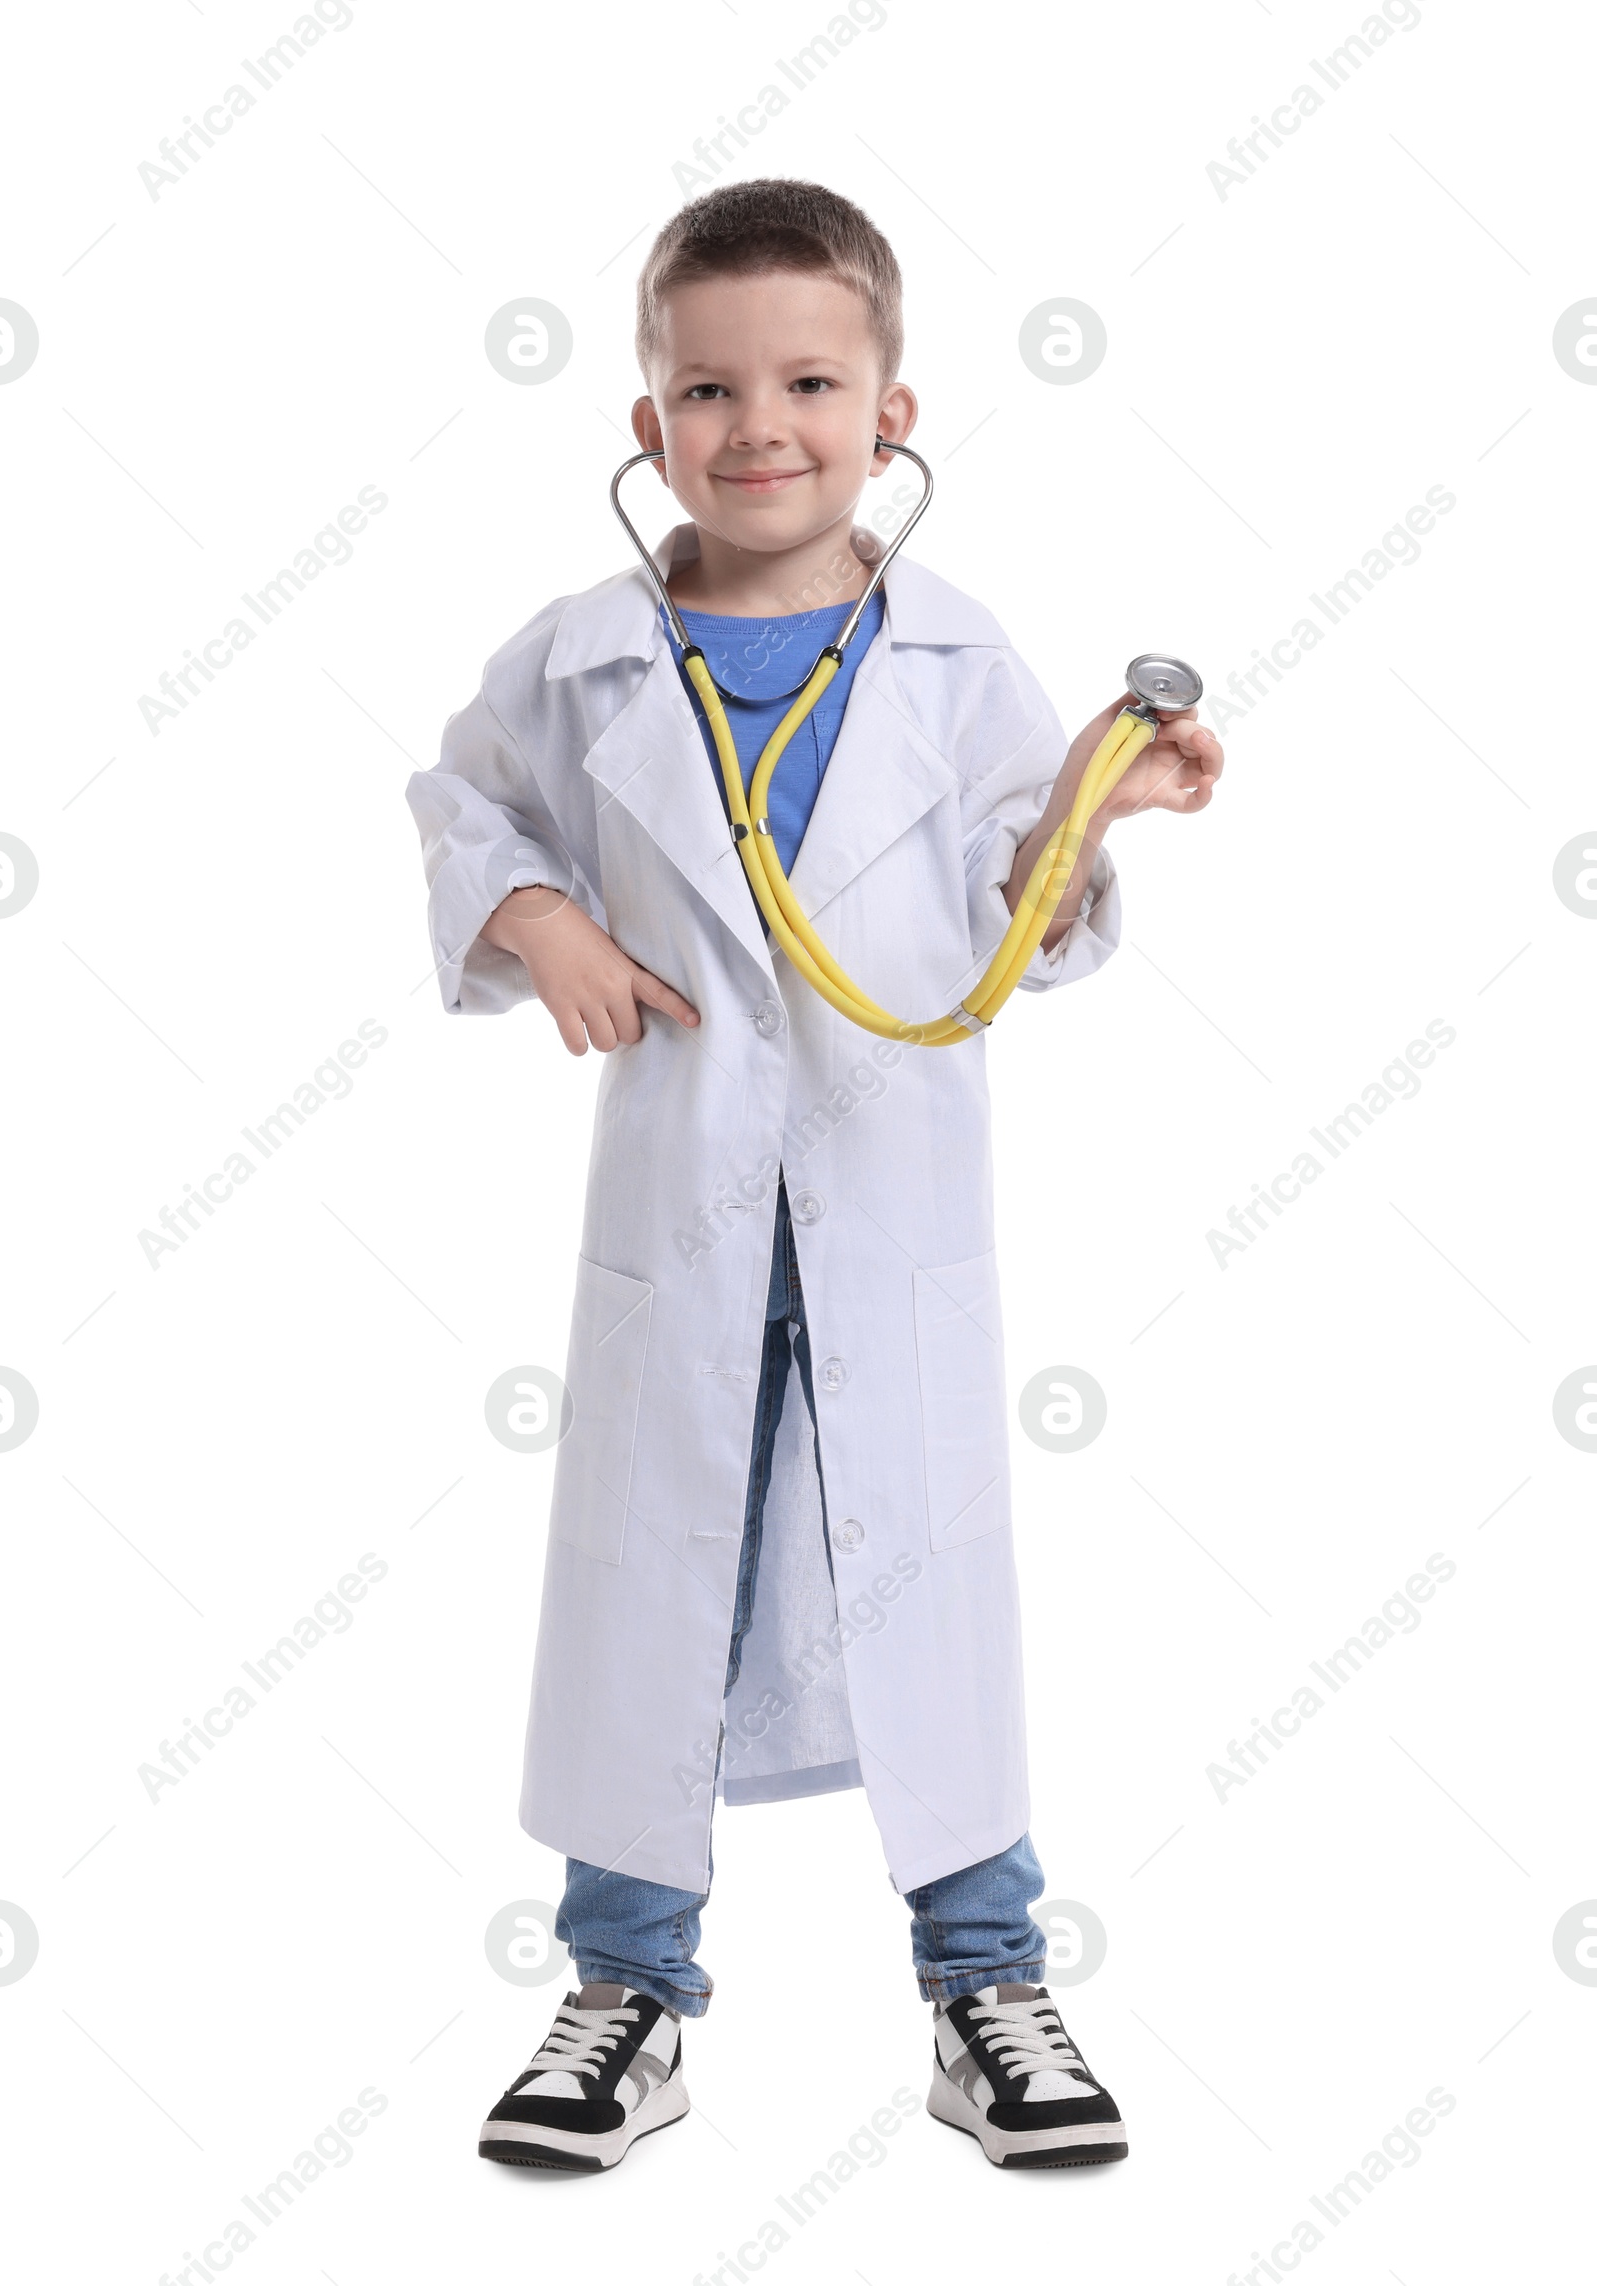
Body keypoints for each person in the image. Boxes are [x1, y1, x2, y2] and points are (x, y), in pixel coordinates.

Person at [405, 177, 1223, 2175]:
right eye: (706, 386)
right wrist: (535, 918)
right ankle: (624, 1992)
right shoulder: (583, 653)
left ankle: (984, 1982)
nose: (756, 423)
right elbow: (459, 798)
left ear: (891, 411)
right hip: (687, 1217)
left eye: (804, 382)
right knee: (646, 1603)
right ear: (643, 426)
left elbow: (1022, 908)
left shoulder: (950, 656)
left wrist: (1105, 808)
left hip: (885, 1208)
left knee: (930, 1600)